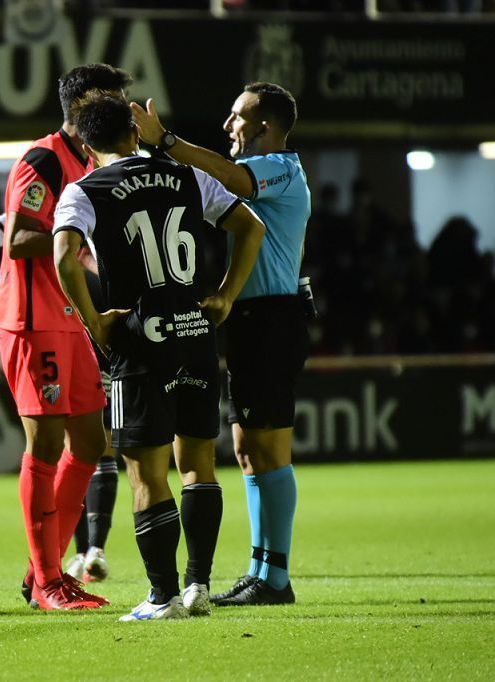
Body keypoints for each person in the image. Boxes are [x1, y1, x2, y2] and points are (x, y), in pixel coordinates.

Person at [52, 93, 265, 620]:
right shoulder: (187, 176)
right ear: (134, 130)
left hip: (138, 344)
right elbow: (251, 226)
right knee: (197, 466)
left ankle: (161, 595)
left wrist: (94, 320)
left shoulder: (84, 190)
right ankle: (198, 587)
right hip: (195, 336)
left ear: (83, 142)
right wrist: (224, 295)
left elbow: (63, 256)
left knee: (147, 473)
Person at [0, 63, 134, 610]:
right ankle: (48, 580)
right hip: (32, 317)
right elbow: (19, 239)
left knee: (91, 444)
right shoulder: (43, 159)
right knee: (45, 444)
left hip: (70, 316)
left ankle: (40, 571)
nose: (123, 108)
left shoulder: (91, 161)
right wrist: (82, 247)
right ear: (83, 104)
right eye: (112, 99)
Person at [132, 82, 311, 606]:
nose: (230, 125)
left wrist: (166, 141)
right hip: (254, 318)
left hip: (274, 318)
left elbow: (230, 178)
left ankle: (275, 578)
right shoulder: (266, 171)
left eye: (237, 116)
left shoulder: (280, 165)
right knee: (247, 448)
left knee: (271, 448)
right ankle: (260, 569)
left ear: (264, 126)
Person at [0, 177, 119, 586]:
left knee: (94, 442)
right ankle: (55, 567)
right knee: (68, 445)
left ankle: (75, 555)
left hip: (83, 326)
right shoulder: (42, 219)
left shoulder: (89, 206)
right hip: (47, 329)